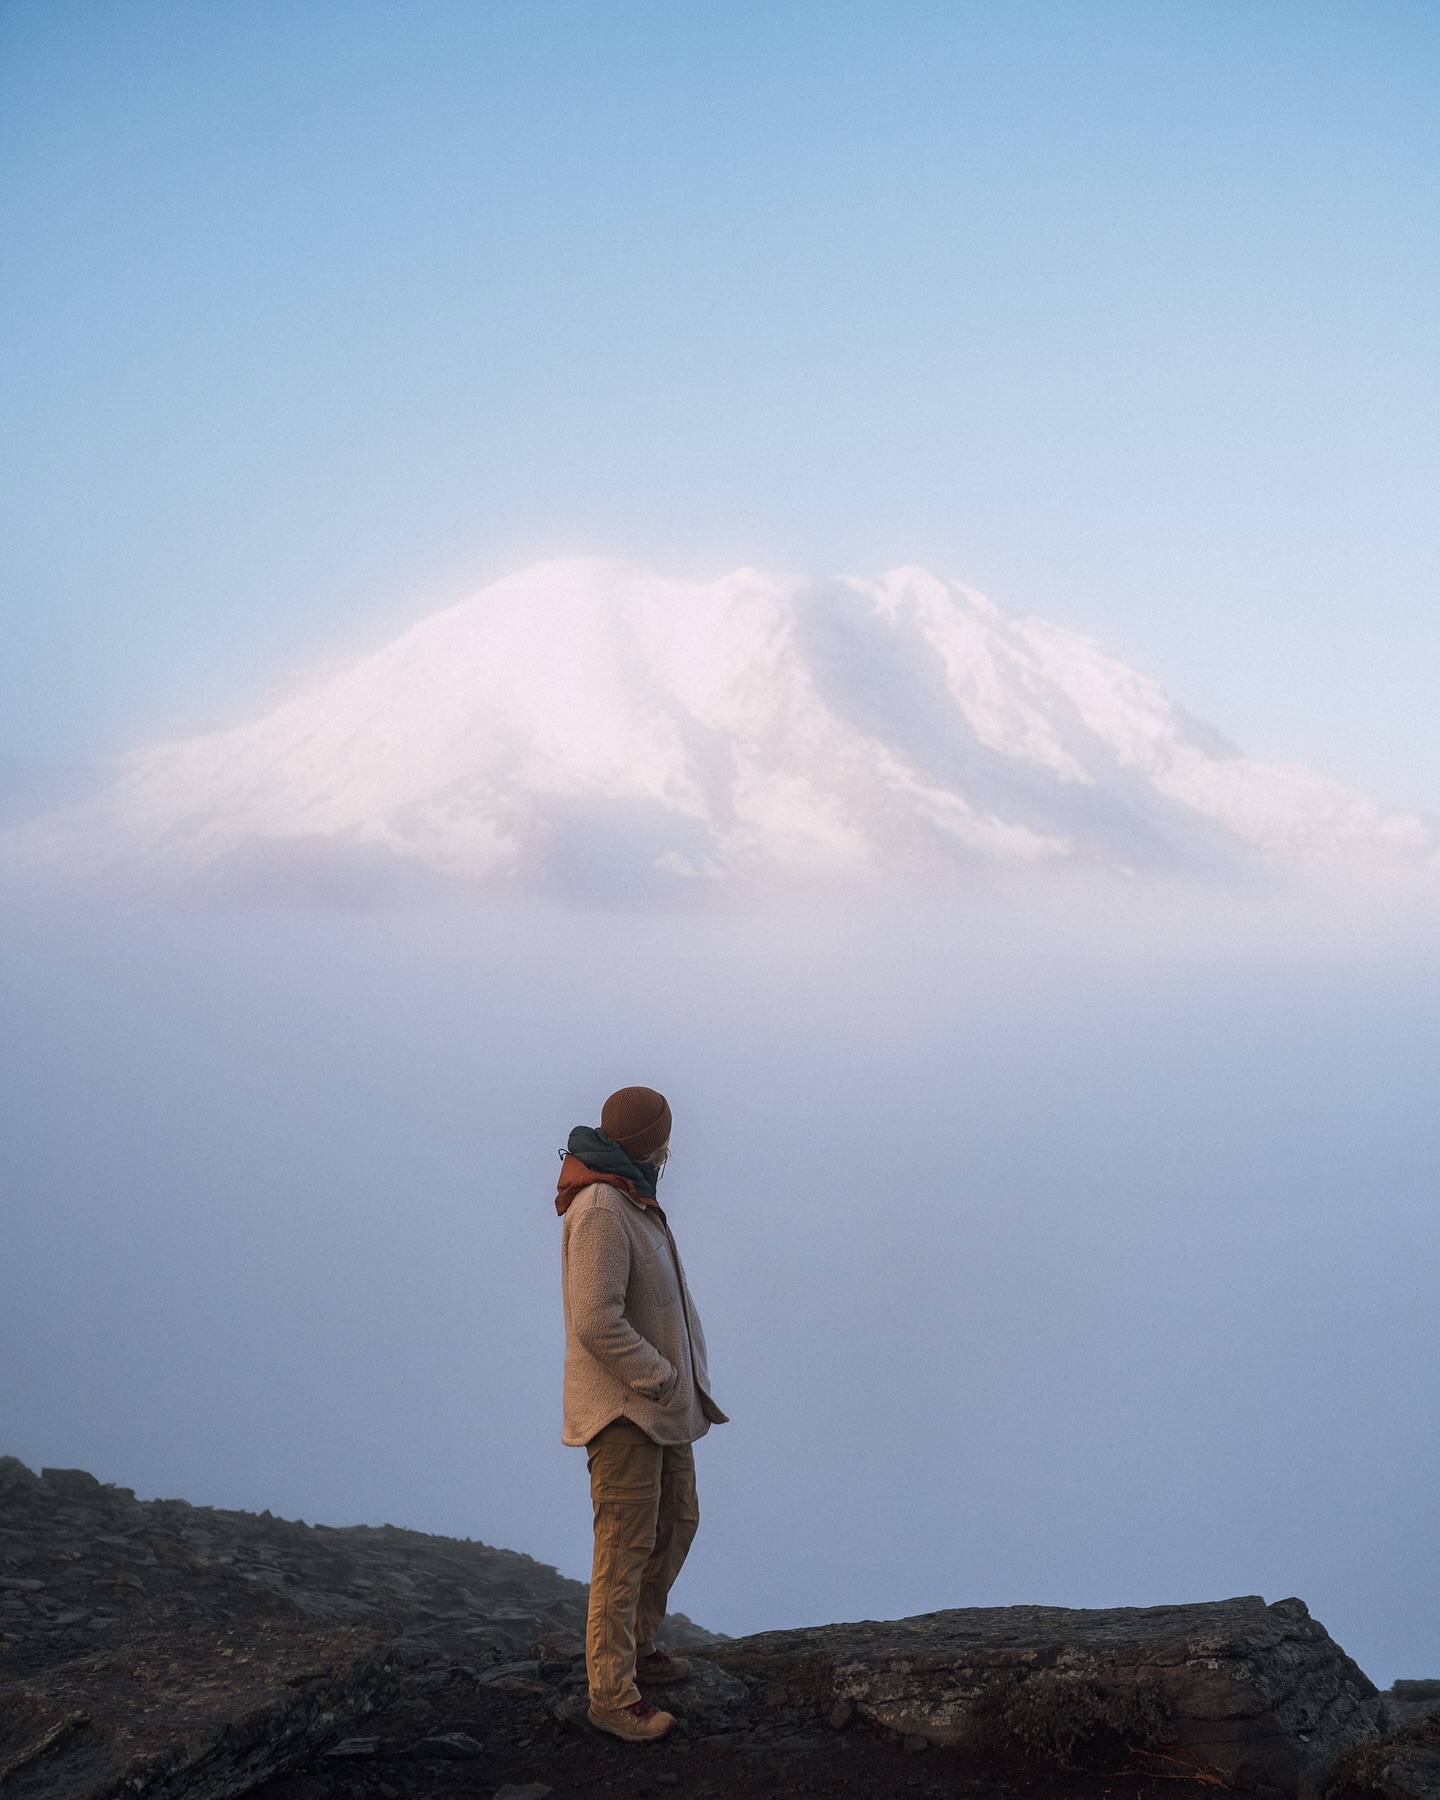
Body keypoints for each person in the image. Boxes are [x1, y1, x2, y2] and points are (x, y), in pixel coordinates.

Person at [556, 1085, 728, 1743]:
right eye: (665, 1138)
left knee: (677, 1522)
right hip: (625, 1411)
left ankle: (637, 1643)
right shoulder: (602, 1207)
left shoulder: (633, 1197)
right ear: (649, 1141)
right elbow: (595, 1320)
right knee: (623, 1549)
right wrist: (659, 1376)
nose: (669, 1150)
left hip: (663, 1408)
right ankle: (611, 1696)